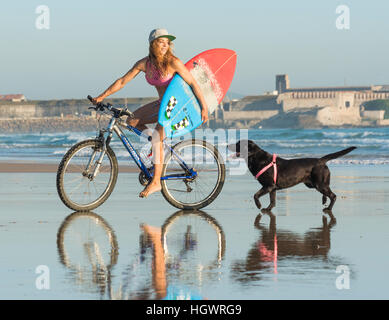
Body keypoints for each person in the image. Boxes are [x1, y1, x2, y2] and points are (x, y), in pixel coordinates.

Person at [92, 29, 209, 198]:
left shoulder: (173, 62)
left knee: (156, 137)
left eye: (167, 43)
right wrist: (102, 96)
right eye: (161, 42)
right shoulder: (145, 64)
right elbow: (123, 81)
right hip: (162, 105)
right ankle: (157, 150)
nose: (165, 45)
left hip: (177, 106)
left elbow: (192, 83)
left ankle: (156, 182)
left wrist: (204, 107)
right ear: (153, 43)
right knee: (132, 121)